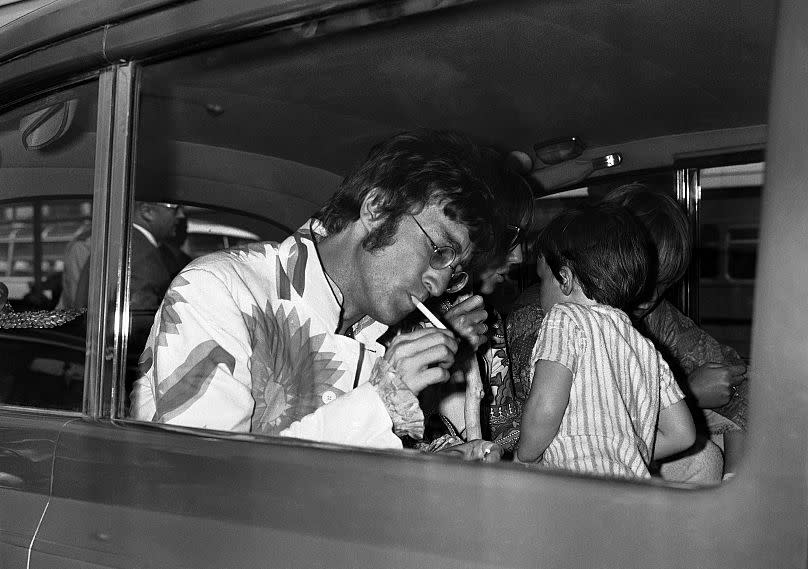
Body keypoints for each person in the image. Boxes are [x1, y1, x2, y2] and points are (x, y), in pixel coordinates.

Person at [130, 129, 502, 459]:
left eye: (453, 272)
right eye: (438, 251)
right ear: (377, 208)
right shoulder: (220, 290)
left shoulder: (387, 334)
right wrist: (381, 400)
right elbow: (207, 477)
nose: (437, 284)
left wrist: (438, 463)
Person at [515, 203, 696, 478]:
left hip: (572, 487)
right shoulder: (642, 344)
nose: (540, 291)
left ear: (564, 278)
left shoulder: (564, 319)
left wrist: (523, 457)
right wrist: (628, 452)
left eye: (542, 280)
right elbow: (683, 433)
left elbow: (546, 407)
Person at [602, 183, 748, 481]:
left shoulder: (659, 317)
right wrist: (689, 394)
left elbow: (735, 377)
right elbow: (595, 421)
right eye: (640, 281)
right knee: (704, 458)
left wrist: (734, 483)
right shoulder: (575, 319)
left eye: (663, 284)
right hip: (596, 464)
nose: (649, 298)